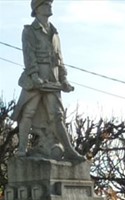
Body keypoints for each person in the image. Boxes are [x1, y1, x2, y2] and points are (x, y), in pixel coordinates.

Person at [11, 0, 85, 162]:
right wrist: (34, 75)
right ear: (37, 9)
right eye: (46, 3)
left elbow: (60, 58)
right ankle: (22, 149)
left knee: (57, 116)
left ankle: (69, 150)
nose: (50, 6)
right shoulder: (29, 31)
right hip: (35, 79)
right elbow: (28, 54)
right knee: (28, 112)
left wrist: (64, 78)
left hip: (53, 79)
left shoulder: (55, 32)